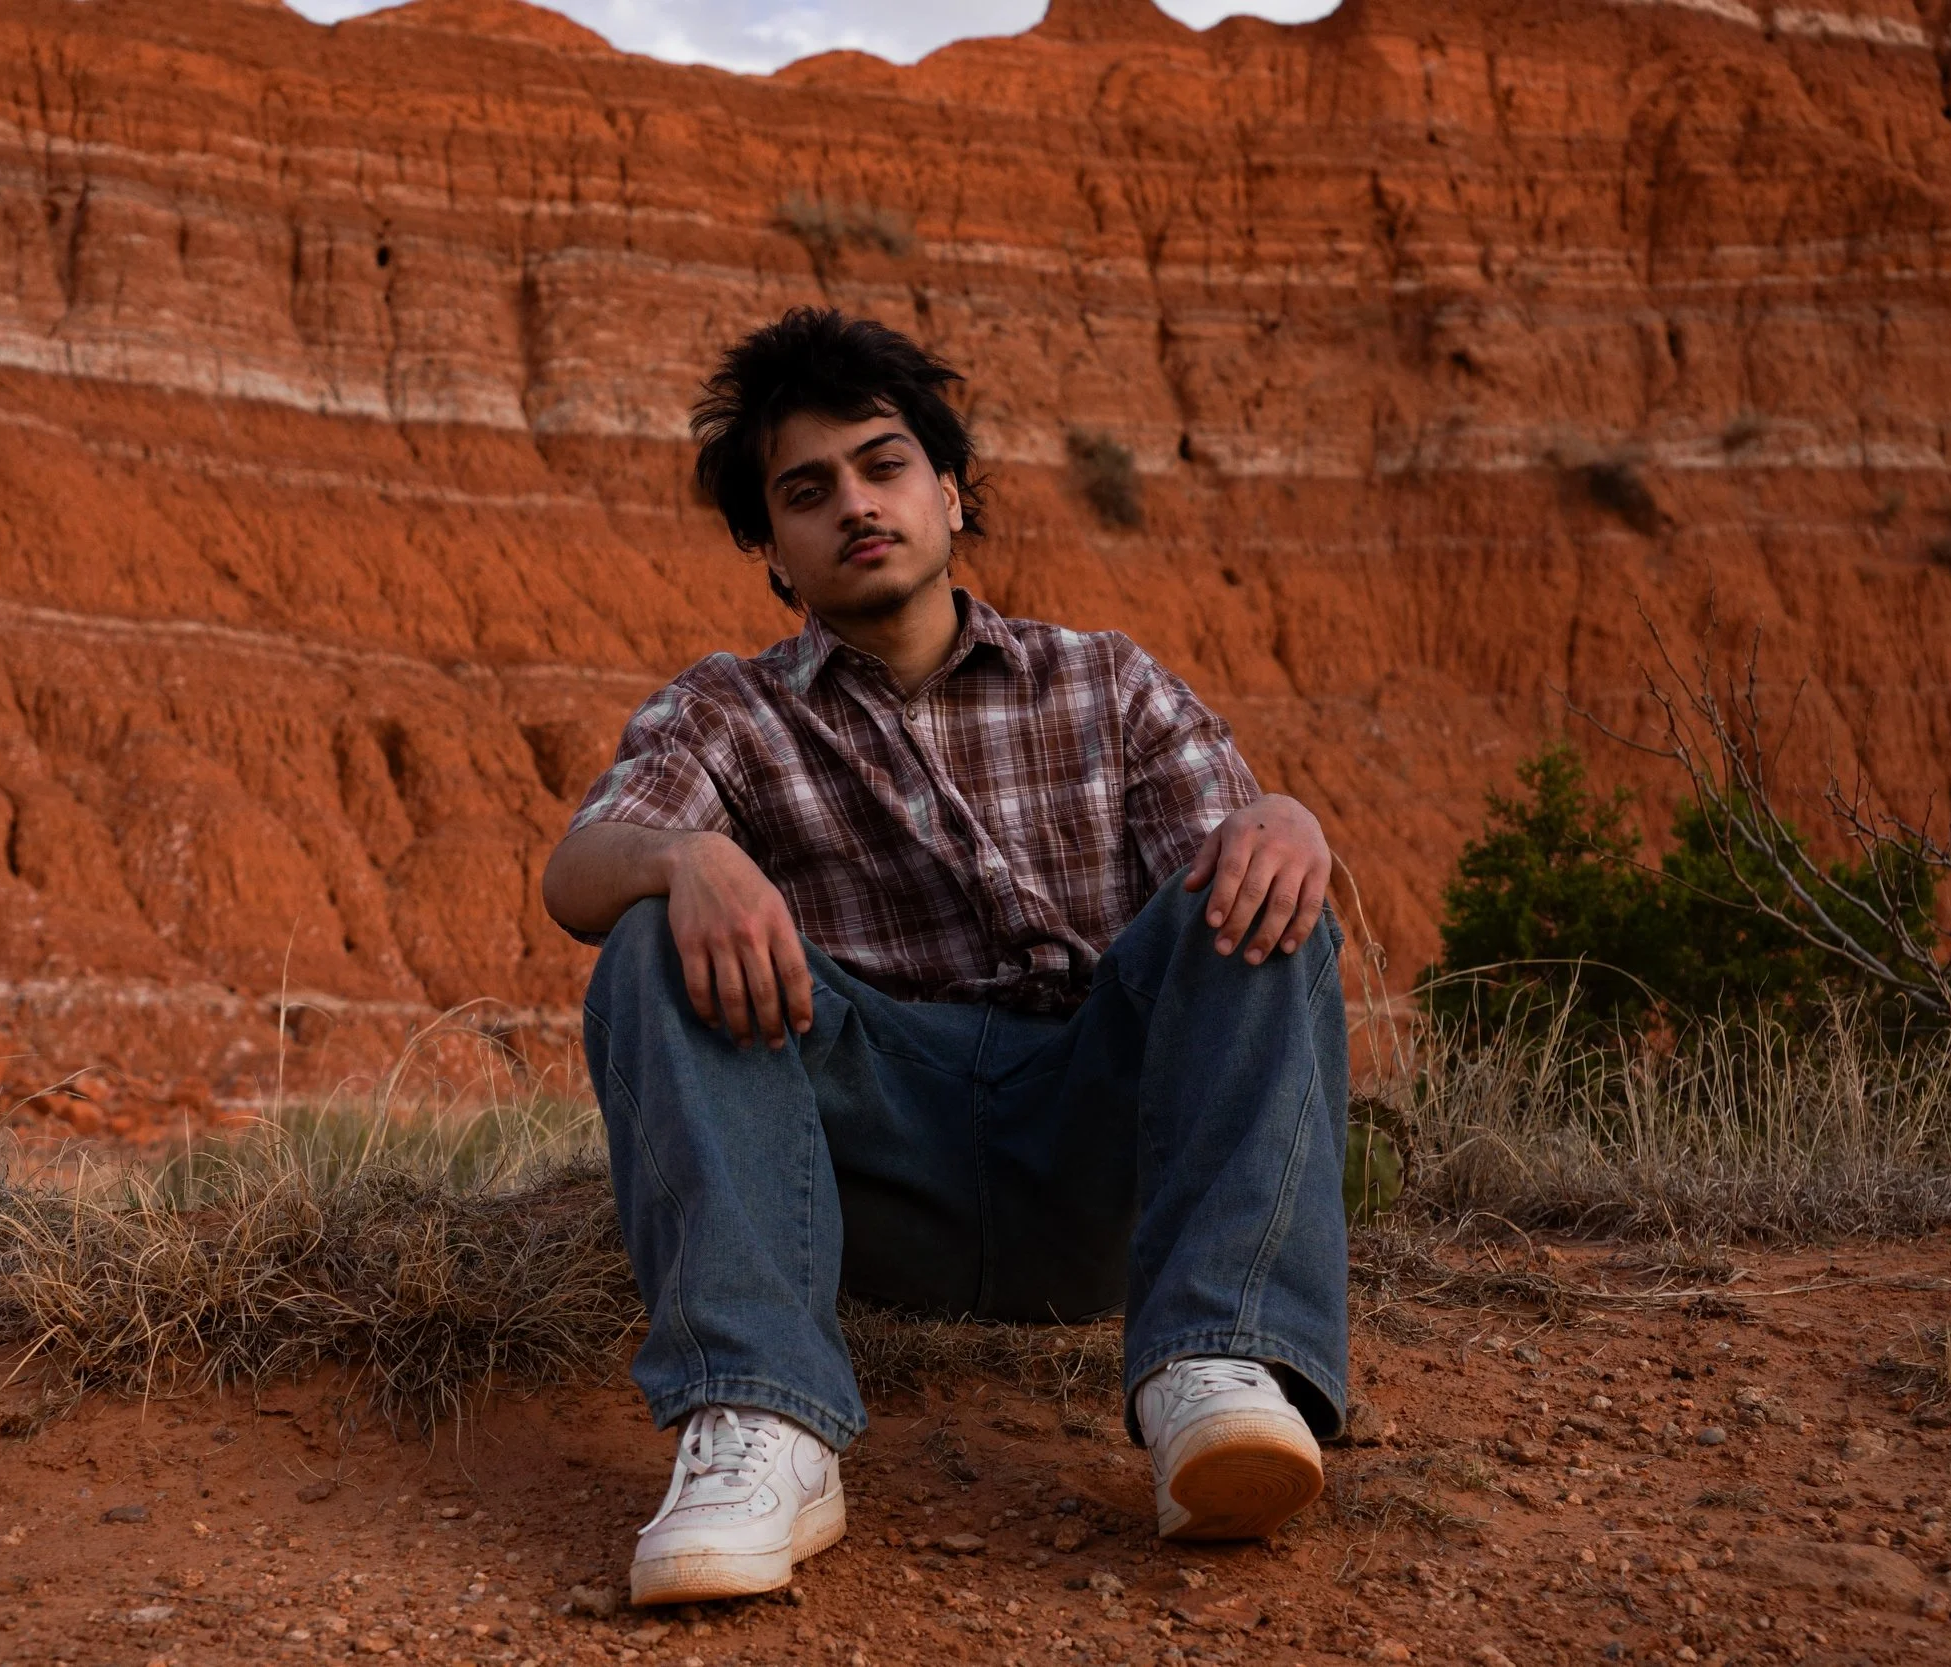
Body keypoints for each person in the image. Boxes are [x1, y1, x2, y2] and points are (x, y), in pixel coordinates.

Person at [542, 308, 1350, 1608]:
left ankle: (1222, 1363)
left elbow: (1232, 912)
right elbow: (577, 873)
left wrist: (1284, 818)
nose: (855, 506)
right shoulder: (729, 713)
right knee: (649, 933)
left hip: (1099, 1151)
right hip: (872, 1179)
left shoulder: (1107, 684)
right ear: (771, 553)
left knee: (1259, 873)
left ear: (951, 490)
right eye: (806, 493)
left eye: (883, 464)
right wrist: (683, 859)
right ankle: (765, 1421)